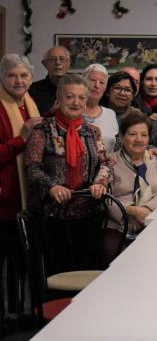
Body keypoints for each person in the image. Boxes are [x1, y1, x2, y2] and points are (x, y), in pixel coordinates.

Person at [25, 74, 110, 272]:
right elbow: (32, 167)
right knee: (57, 272)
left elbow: (105, 163)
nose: (76, 102)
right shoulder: (43, 130)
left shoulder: (92, 131)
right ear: (59, 97)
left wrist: (100, 182)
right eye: (70, 96)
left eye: (81, 97)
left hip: (89, 213)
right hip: (53, 216)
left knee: (88, 271)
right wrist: (52, 186)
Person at [104, 110, 157, 263]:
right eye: (132, 134)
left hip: (153, 224)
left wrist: (146, 210)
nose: (138, 139)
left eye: (144, 135)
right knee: (122, 261)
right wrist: (132, 211)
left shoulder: (156, 160)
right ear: (122, 138)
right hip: (119, 227)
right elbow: (106, 197)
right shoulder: (110, 162)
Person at [0, 54, 42, 303]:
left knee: (22, 265)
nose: (18, 80)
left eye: (23, 75)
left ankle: (20, 314)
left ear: (31, 78)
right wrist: (21, 139)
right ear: (2, 78)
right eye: (11, 75)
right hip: (4, 202)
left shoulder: (29, 103)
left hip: (27, 200)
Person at [82, 64, 118, 153]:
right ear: (83, 83)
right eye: (93, 80)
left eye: (102, 82)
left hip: (107, 165)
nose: (97, 85)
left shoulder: (111, 114)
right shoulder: (73, 111)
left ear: (105, 88)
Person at [29, 46, 71, 115]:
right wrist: (50, 114)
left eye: (62, 59)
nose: (57, 62)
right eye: (52, 59)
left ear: (68, 63)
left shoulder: (78, 88)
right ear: (45, 64)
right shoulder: (32, 90)